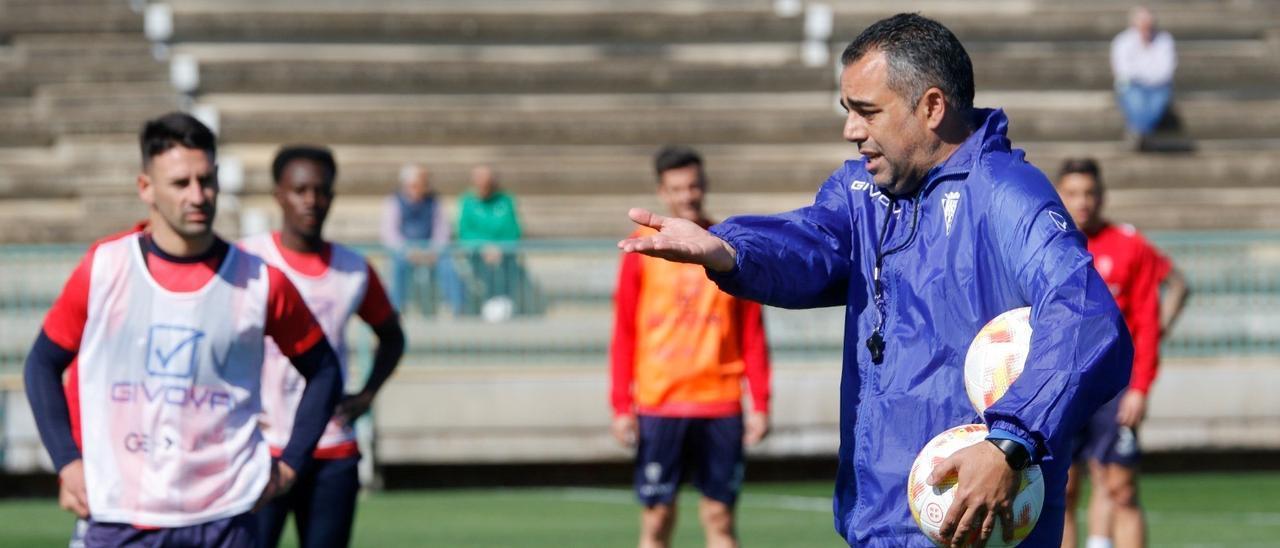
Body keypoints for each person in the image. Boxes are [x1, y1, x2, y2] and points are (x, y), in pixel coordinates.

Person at [618, 14, 1133, 547]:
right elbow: (813, 243)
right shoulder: (861, 192)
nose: (851, 130)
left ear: (932, 107)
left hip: (975, 526)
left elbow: (1086, 317)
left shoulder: (1008, 194)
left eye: (867, 112)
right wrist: (727, 249)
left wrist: (1009, 441)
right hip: (878, 521)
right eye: (848, 112)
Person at [23, 112, 342, 546]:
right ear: (146, 188)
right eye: (180, 183)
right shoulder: (105, 268)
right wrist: (67, 461)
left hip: (226, 516)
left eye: (206, 180)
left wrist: (290, 464)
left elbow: (325, 369)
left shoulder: (260, 282)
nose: (198, 195)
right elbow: (42, 364)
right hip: (119, 512)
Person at [240, 146, 407, 548]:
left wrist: (366, 395)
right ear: (278, 193)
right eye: (300, 189)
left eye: (321, 190)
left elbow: (392, 335)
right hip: (258, 448)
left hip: (331, 450)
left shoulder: (352, 269)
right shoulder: (246, 259)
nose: (311, 200)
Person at [610, 146, 772, 548]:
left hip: (719, 402)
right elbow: (624, 330)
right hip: (659, 402)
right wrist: (620, 404)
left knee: (719, 518)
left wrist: (761, 402)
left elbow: (752, 331)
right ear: (663, 192)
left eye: (694, 186)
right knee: (657, 520)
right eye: (677, 188)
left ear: (705, 187)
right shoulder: (639, 249)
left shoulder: (726, 247)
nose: (687, 196)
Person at [1055, 158, 1190, 548]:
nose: (1083, 202)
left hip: (1114, 388)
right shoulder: (1049, 244)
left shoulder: (1129, 245)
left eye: (1090, 193)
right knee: (1061, 491)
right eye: (1073, 194)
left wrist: (1140, 387)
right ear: (1060, 196)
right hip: (1062, 384)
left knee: (1120, 487)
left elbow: (1148, 321)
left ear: (1102, 196)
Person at [380, 164, 464, 316]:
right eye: (420, 184)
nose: (424, 187)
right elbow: (390, 233)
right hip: (405, 251)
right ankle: (396, 310)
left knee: (448, 264)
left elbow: (442, 229)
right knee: (397, 265)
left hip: (431, 250)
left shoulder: (434, 201)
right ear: (409, 185)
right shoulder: (394, 201)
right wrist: (408, 251)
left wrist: (434, 250)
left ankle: (455, 307)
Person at [457, 165, 540, 317]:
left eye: (486, 183)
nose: (483, 187)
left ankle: (504, 303)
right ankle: (488, 303)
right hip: (478, 253)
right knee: (482, 269)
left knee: (508, 266)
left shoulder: (506, 201)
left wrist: (499, 248)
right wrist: (483, 247)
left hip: (503, 252)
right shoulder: (468, 202)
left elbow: (513, 229)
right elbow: (465, 231)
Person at [1110, 6, 1177, 150]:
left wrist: (1142, 75)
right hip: (1132, 85)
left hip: (1158, 86)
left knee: (1156, 104)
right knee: (1136, 102)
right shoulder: (1123, 41)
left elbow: (1165, 72)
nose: (1145, 29)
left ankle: (1137, 132)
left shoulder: (1164, 40)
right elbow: (1124, 71)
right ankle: (1143, 134)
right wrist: (1148, 75)